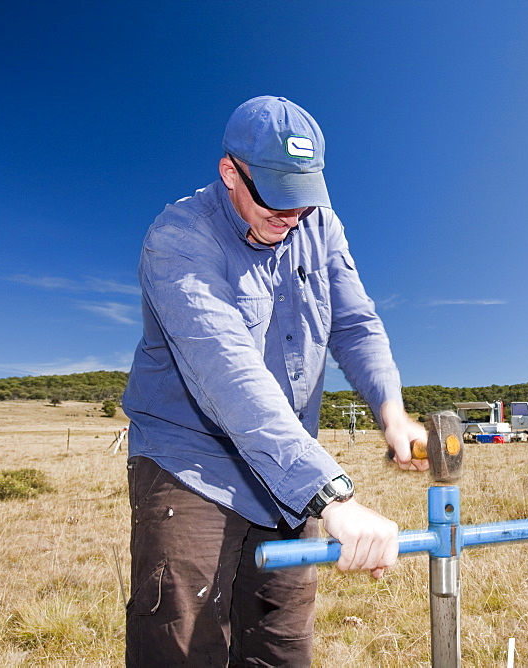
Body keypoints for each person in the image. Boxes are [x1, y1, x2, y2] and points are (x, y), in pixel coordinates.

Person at [121, 95, 427, 666]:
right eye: (275, 198)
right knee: (185, 647)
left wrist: (391, 411)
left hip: (285, 475)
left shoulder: (322, 228)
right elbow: (227, 372)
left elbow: (356, 325)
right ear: (230, 173)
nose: (290, 217)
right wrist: (332, 498)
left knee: (281, 646)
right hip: (193, 465)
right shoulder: (178, 239)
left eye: (303, 199)